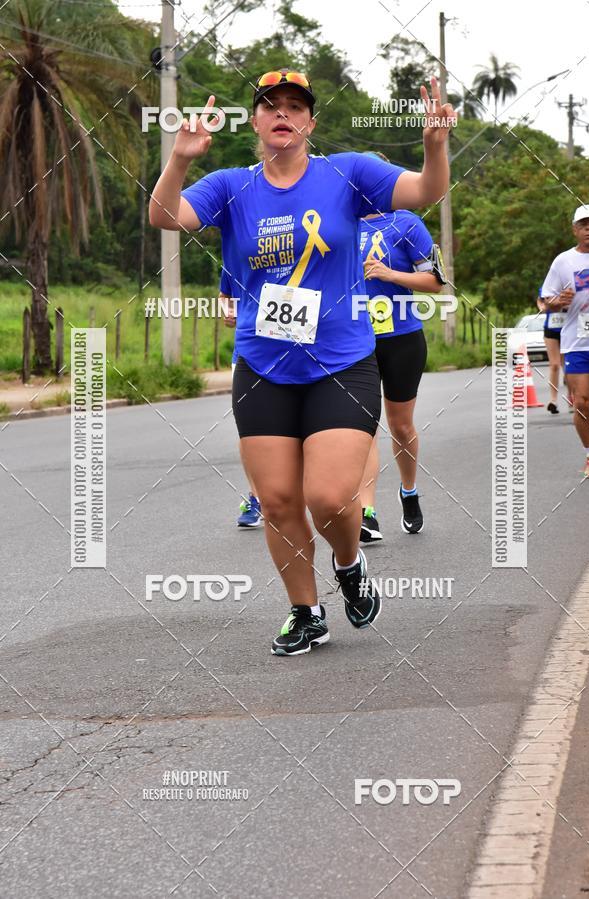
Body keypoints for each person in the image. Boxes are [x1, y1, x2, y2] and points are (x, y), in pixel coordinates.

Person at [149, 68, 455, 654]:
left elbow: (424, 192)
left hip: (341, 362)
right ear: (257, 122)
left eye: (295, 105)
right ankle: (305, 611)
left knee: (329, 496)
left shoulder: (349, 173)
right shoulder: (231, 185)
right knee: (279, 501)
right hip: (263, 368)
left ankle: (347, 561)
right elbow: (166, 216)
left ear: (310, 121)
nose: (282, 113)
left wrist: (434, 146)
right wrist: (181, 158)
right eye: (270, 106)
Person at [358, 155, 446, 540]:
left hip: (402, 338)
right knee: (360, 427)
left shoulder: (407, 221)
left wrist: (389, 273)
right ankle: (366, 513)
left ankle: (408, 491)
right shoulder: (339, 224)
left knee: (401, 424)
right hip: (353, 339)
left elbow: (435, 282)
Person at [541, 205, 589, 478]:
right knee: (582, 402)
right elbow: (545, 301)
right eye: (583, 224)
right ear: (575, 229)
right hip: (578, 342)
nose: (588, 228)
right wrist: (556, 302)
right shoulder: (563, 261)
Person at [220, 271, 262, 527]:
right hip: (248, 353)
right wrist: (228, 311)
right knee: (249, 430)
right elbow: (225, 295)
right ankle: (256, 498)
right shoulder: (239, 247)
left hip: (304, 350)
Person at [535, 286, 568, 414]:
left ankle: (572, 398)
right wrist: (542, 307)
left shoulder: (569, 284)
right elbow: (540, 300)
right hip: (551, 329)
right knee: (554, 365)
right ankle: (553, 401)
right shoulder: (547, 285)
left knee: (567, 366)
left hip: (567, 330)